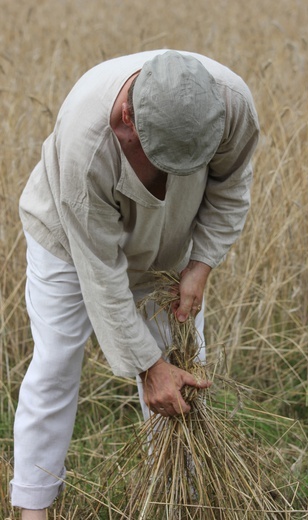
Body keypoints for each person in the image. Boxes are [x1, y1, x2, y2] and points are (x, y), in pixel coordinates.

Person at [10, 49, 259, 519]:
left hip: (170, 248)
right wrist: (146, 365)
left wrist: (201, 263)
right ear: (129, 115)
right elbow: (101, 272)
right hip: (70, 241)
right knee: (57, 363)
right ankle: (34, 508)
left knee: (182, 376)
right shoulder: (86, 141)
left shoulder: (231, 106)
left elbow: (230, 188)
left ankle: (173, 500)